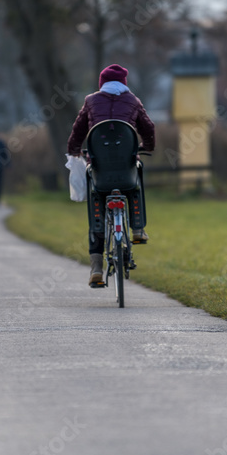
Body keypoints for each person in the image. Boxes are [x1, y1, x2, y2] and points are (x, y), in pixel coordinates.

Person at [67, 64, 155, 288]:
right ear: (124, 83)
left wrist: (75, 150)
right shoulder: (133, 101)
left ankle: (96, 267)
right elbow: (148, 128)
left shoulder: (90, 101)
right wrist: (147, 146)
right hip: (125, 170)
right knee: (136, 175)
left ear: (101, 83)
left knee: (96, 205)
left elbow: (77, 132)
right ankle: (138, 229)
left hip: (100, 172)